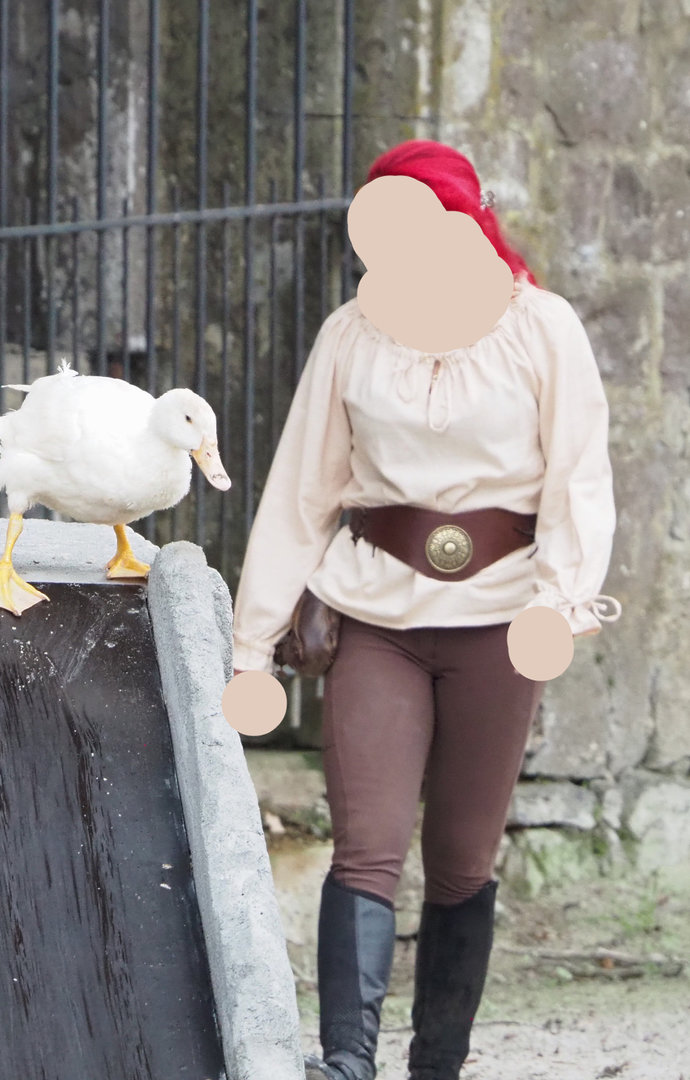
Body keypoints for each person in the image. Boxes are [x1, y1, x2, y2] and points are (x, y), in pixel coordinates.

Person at [230, 140, 621, 1080]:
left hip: (500, 622)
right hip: (374, 617)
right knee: (364, 848)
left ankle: (436, 1065)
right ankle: (346, 1061)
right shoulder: (350, 335)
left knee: (460, 861)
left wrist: (562, 604)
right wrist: (252, 646)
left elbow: (581, 479)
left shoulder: (542, 328)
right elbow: (301, 493)